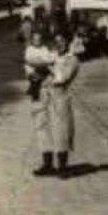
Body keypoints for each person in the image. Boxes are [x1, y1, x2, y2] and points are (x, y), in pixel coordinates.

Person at [41, 32, 80, 177]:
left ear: (68, 42)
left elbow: (62, 78)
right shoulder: (53, 56)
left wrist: (48, 67)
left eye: (62, 41)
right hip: (47, 97)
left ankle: (63, 167)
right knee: (46, 130)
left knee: (61, 132)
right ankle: (48, 164)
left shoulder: (72, 59)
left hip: (61, 97)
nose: (59, 44)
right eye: (56, 41)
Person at [23, 29, 57, 174]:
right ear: (31, 40)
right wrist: (45, 67)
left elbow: (51, 62)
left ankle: (53, 163)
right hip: (38, 91)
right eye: (35, 38)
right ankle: (47, 162)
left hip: (49, 91)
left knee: (50, 126)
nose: (37, 41)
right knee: (41, 126)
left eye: (39, 38)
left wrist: (46, 65)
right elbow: (31, 67)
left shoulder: (45, 50)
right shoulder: (29, 51)